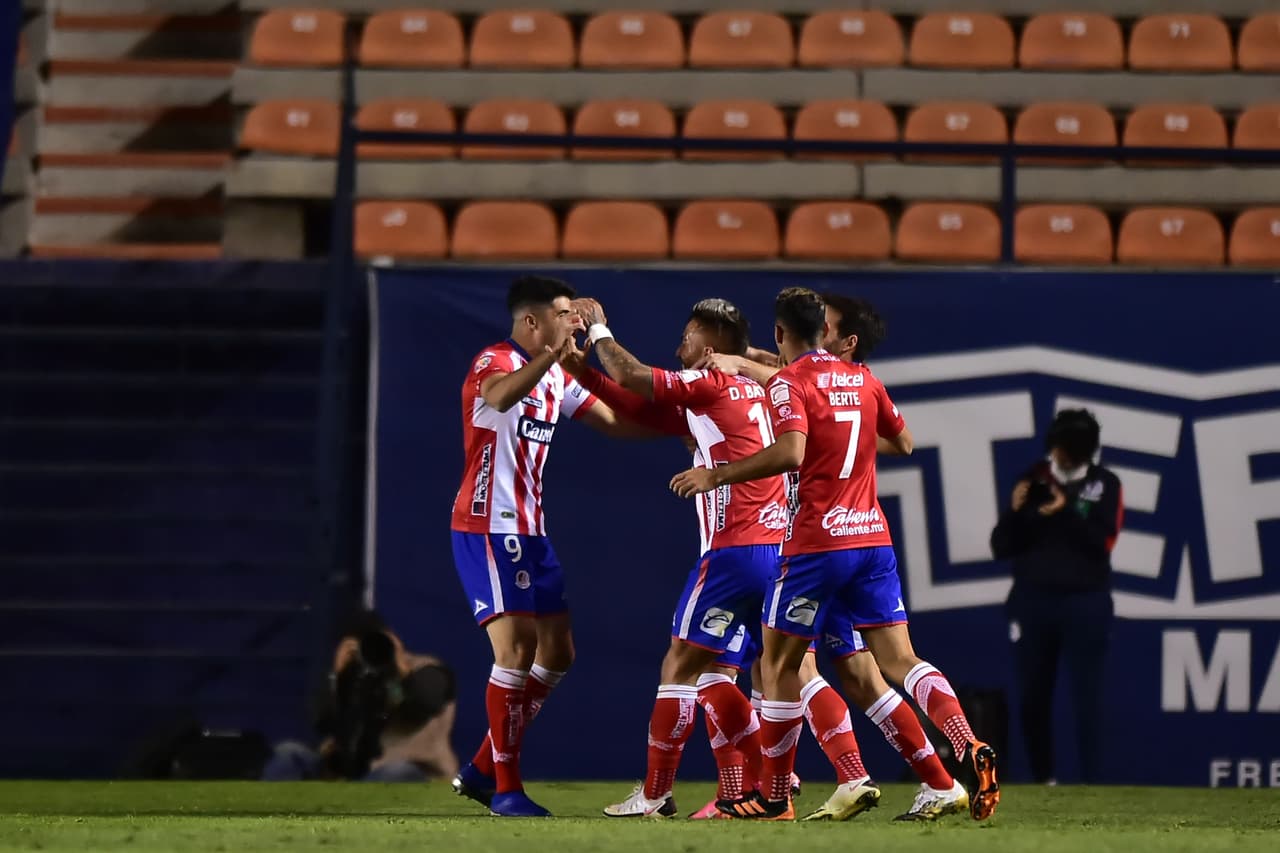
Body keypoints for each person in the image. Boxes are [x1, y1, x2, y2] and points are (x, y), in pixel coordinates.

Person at [671, 287, 1000, 822]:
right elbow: (906, 443)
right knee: (894, 663)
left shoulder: (790, 383)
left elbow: (793, 449)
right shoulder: (864, 379)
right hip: (870, 539)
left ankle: (775, 795)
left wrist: (720, 473)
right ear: (826, 332)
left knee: (776, 666)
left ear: (780, 334)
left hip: (815, 547)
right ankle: (964, 744)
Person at [565, 297, 821, 820]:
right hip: (779, 550)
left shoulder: (712, 383)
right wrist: (580, 373)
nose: (678, 347)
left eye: (686, 336)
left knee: (678, 667)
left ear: (707, 344)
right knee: (722, 676)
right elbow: (641, 407)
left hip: (735, 550)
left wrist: (596, 332)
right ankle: (765, 779)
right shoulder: (765, 387)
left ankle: (656, 795)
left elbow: (633, 376)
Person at [448, 275, 658, 817]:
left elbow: (613, 421)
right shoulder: (494, 362)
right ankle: (505, 789)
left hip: (532, 530)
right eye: (564, 313)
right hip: (488, 528)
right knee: (515, 652)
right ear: (532, 322)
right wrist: (552, 361)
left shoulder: (555, 378)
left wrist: (688, 432)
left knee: (558, 653)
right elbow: (499, 396)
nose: (574, 321)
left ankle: (480, 767)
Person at [991, 408, 1123, 784]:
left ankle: (1093, 783)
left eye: (1071, 452)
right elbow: (1002, 545)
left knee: (1088, 700)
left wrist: (1066, 512)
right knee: (1032, 697)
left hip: (1086, 602)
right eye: (1060, 449)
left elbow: (1103, 543)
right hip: (1033, 602)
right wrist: (1017, 512)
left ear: (1085, 452)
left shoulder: (1106, 484)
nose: (1062, 458)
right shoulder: (1033, 479)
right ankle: (1043, 780)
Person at [262, 610, 459, 783]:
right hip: (347, 771)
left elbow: (426, 703)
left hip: (413, 768)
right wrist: (338, 677)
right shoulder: (349, 675)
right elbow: (323, 722)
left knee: (393, 774)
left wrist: (402, 670)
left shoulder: (426, 669)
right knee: (288, 753)